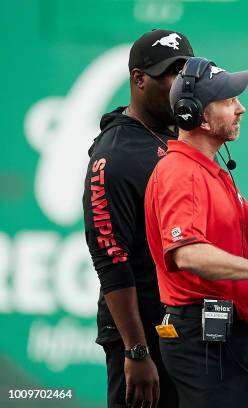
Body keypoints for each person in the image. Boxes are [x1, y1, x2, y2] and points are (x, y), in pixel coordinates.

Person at [144, 56, 248, 408]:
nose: (241, 109)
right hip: (200, 337)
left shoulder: (212, 172)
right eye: (228, 101)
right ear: (198, 116)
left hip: (219, 337)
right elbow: (187, 252)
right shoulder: (180, 171)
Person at [83, 29, 194, 408]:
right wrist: (135, 351)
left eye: (186, 72)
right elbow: (110, 259)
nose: (181, 83)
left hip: (184, 328)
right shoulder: (113, 156)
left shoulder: (181, 133)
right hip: (143, 336)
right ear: (138, 79)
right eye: (170, 73)